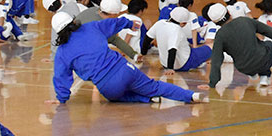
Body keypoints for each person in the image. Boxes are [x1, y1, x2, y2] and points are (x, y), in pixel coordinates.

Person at [50, 12, 205, 104]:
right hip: (125, 68)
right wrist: (129, 23)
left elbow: (61, 77)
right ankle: (191, 95)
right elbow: (112, 23)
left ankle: (146, 99)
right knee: (155, 86)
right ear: (73, 21)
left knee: (115, 97)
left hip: (107, 85)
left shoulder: (62, 52)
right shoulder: (91, 27)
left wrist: (61, 98)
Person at [207, 8, 272, 88]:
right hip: (261, 60)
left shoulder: (219, 35)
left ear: (215, 23)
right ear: (229, 13)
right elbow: (269, 31)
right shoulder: (245, 20)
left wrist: (212, 83)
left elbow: (216, 60)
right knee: (268, 44)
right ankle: (264, 76)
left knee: (250, 54)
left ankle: (252, 74)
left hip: (243, 67)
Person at [144, 7, 212, 74]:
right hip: (184, 63)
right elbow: (172, 49)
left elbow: (147, 38)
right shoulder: (176, 29)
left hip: (164, 63)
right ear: (183, 23)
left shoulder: (159, 23)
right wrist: (170, 68)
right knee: (211, 45)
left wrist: (143, 53)